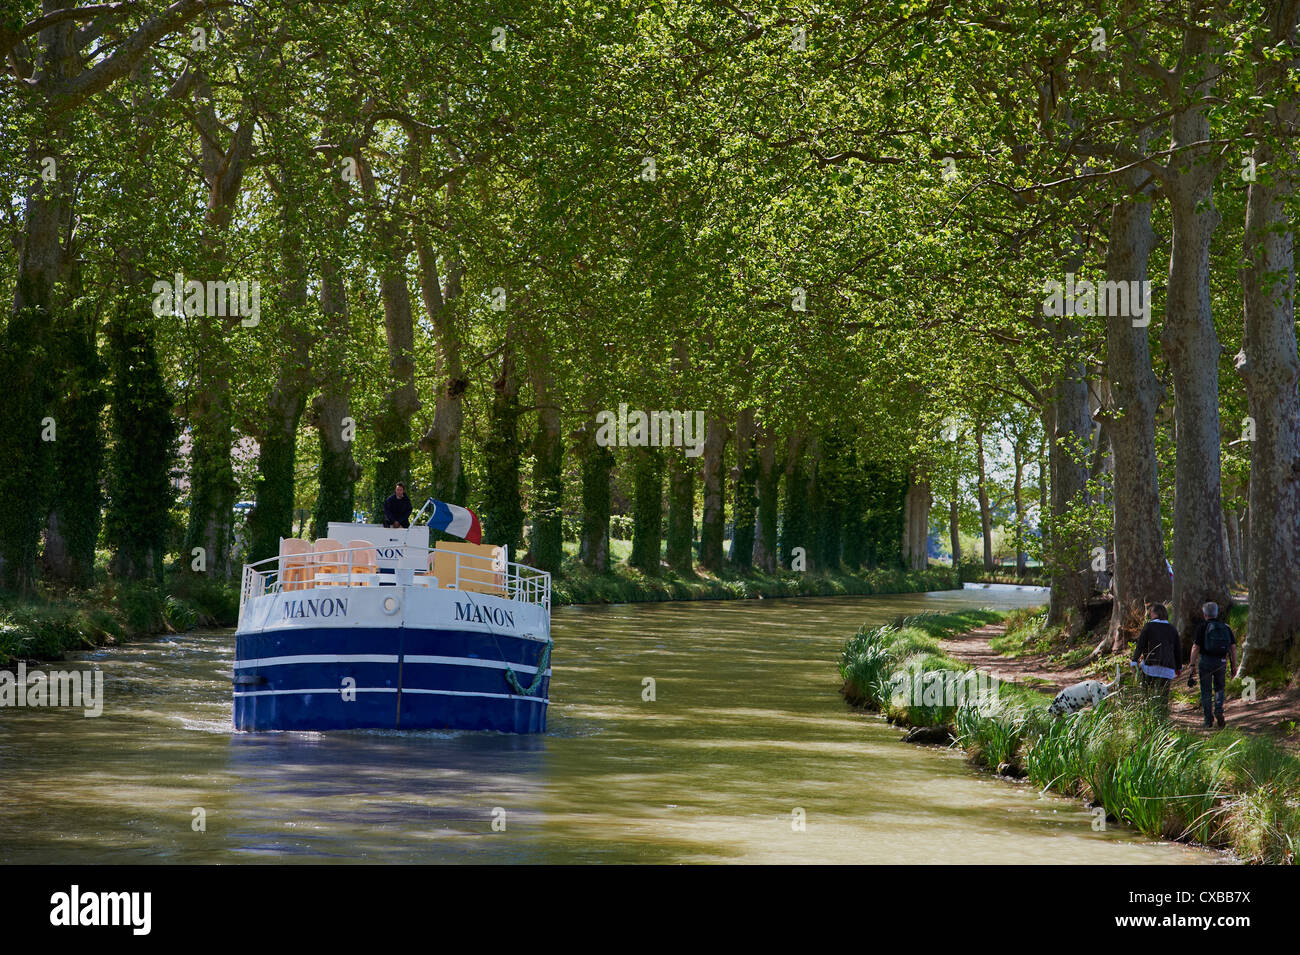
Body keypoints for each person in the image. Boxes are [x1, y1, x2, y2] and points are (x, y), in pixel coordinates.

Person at [1188, 601, 1236, 729]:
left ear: (1204, 614)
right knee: (1219, 688)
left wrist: (1192, 665)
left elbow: (1195, 647)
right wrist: (1234, 667)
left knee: (1206, 690)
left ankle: (1208, 719)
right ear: (1216, 613)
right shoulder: (1225, 627)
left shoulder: (1202, 627)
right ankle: (1219, 709)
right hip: (1221, 662)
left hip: (1205, 661)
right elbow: (1233, 648)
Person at [1130, 603, 1182, 703]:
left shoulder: (1149, 626)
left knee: (1147, 694)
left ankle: (1147, 713)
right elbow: (1177, 650)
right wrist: (1178, 667)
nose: (1150, 615)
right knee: (1163, 696)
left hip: (1150, 666)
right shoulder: (1172, 629)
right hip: (1167, 667)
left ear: (1155, 614)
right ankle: (1162, 715)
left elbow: (1140, 644)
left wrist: (1134, 660)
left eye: (1151, 612)